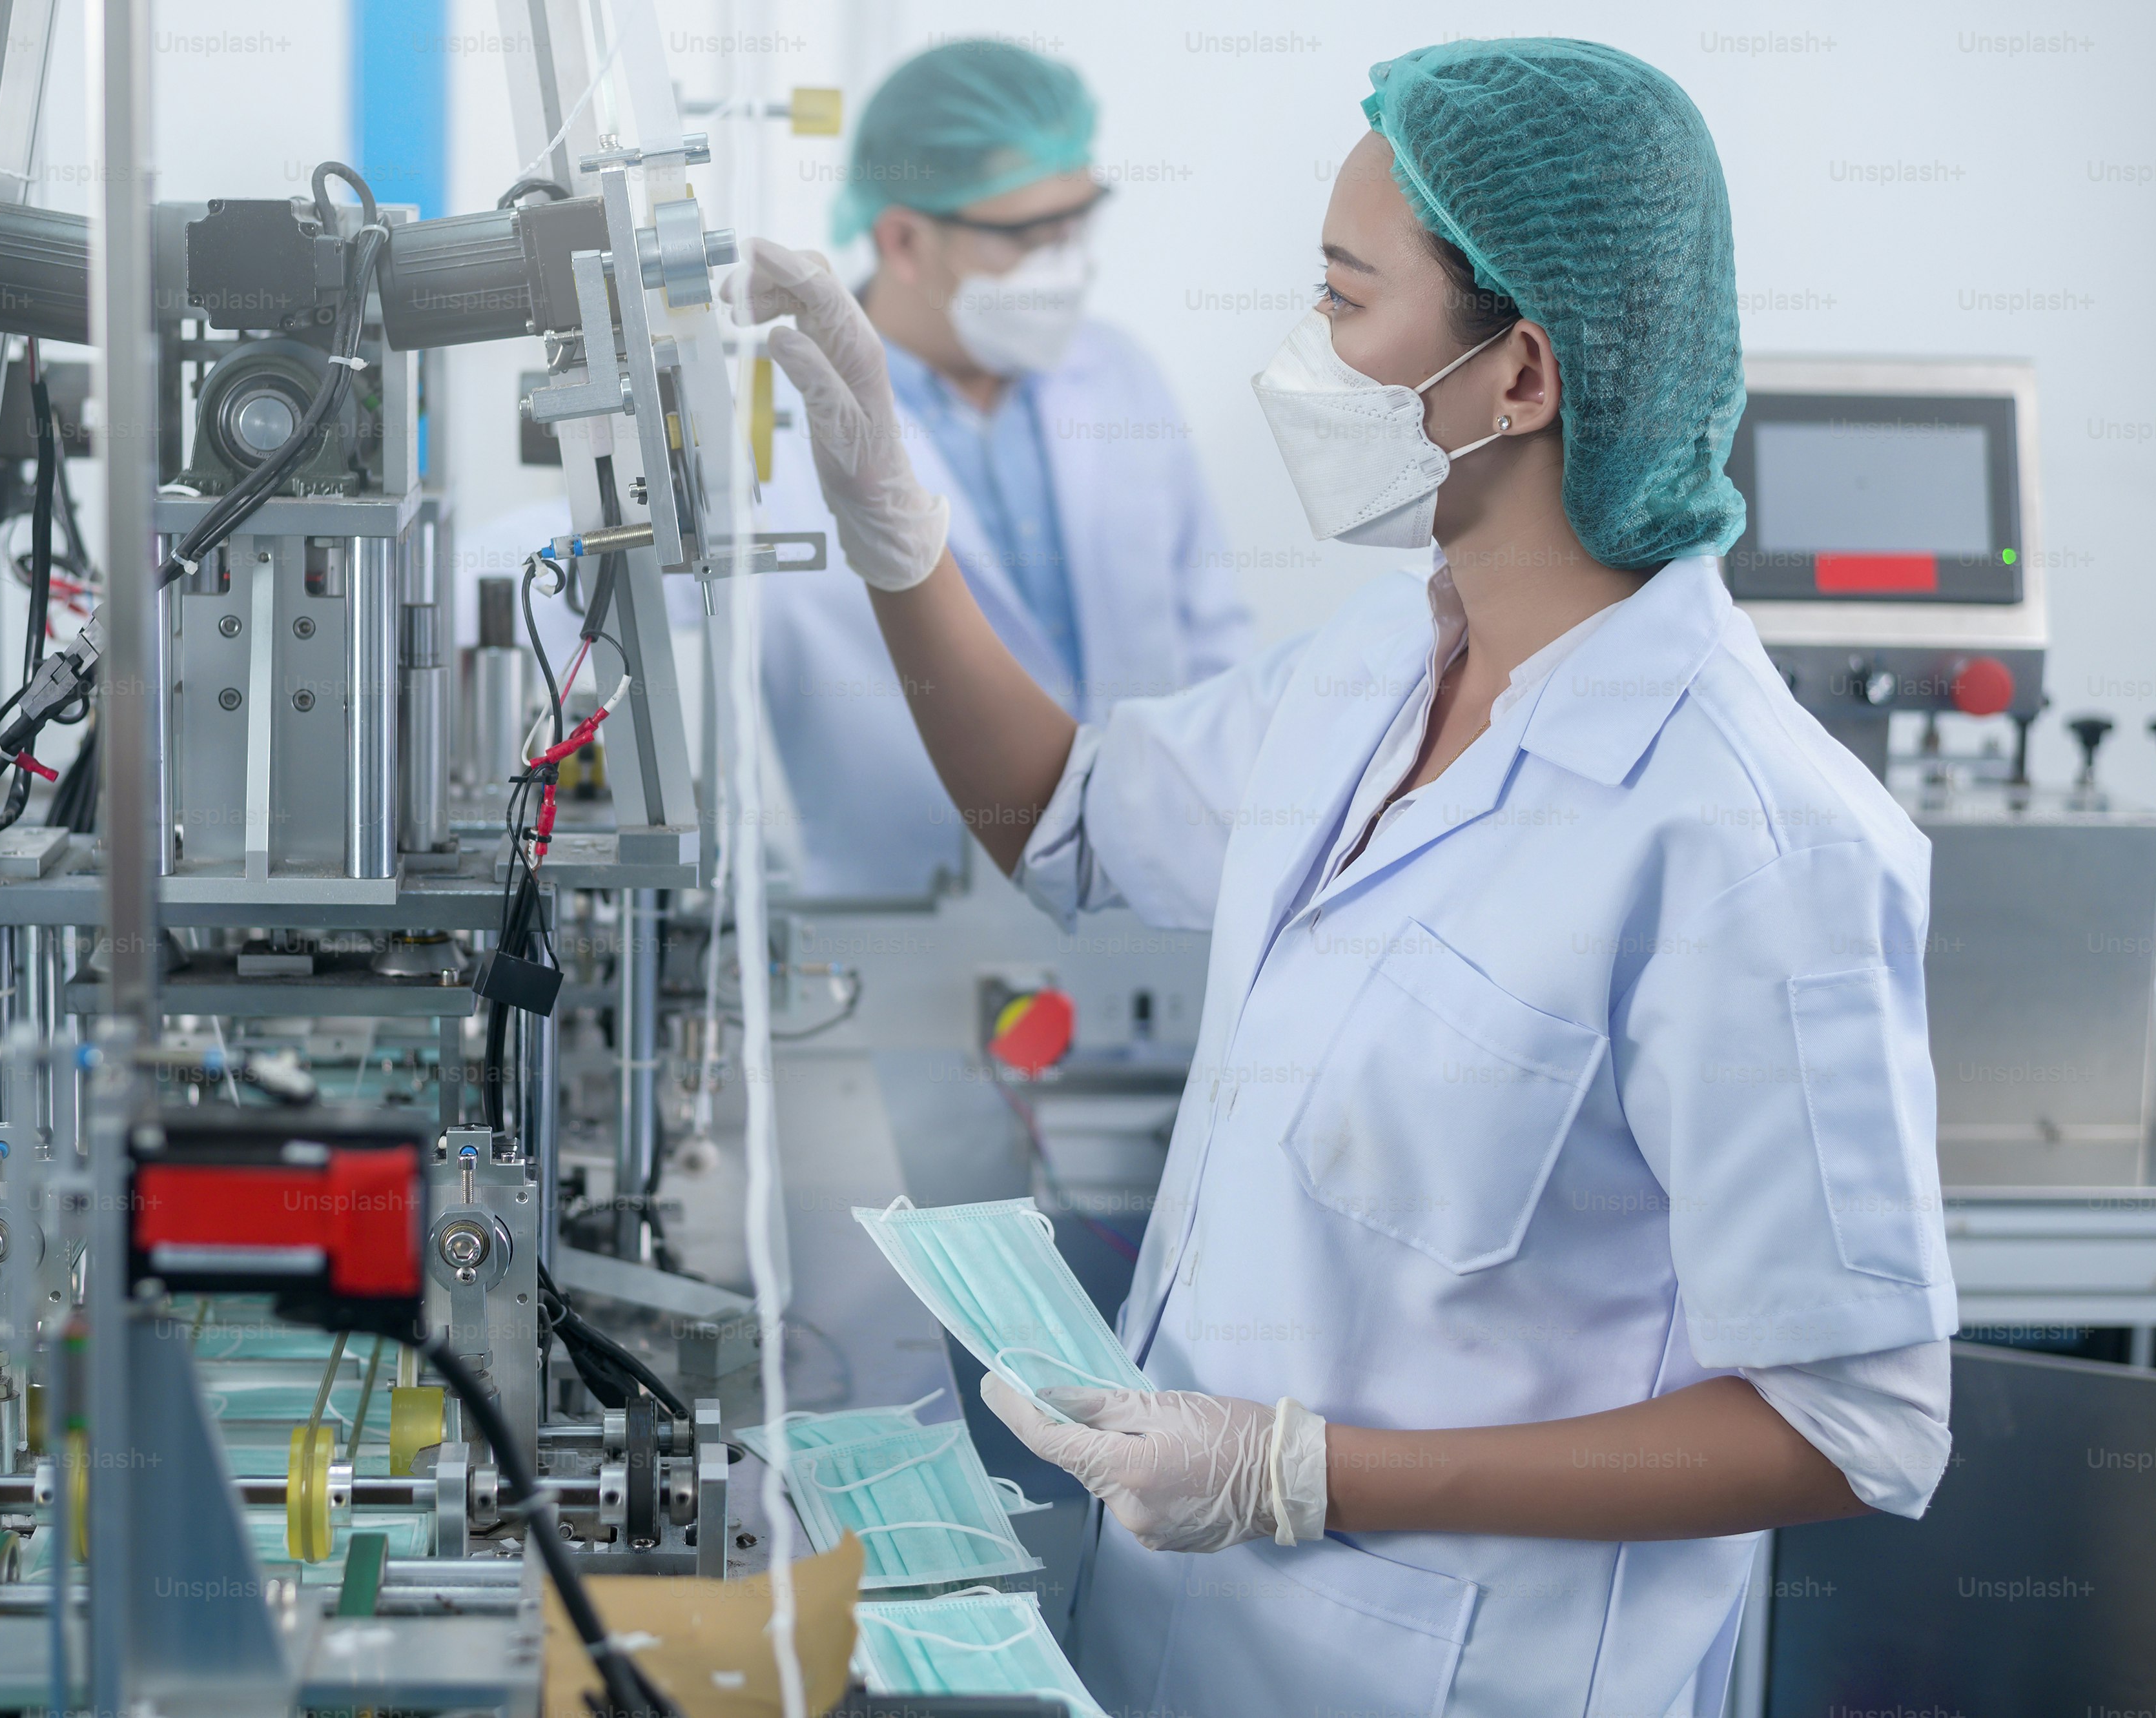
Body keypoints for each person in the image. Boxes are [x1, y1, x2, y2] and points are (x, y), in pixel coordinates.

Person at [742, 37, 1953, 1717]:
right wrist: (895, 518)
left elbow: (1857, 1421)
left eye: (1343, 300)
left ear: (1519, 375)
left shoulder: (1751, 838)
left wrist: (1312, 1471)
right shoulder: (1375, 669)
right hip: (1179, 1644)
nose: (1306, 358)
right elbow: (1068, 813)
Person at [754, 37, 1248, 896]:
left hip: (1156, 914)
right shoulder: (776, 420)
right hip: (896, 934)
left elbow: (1217, 652)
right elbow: (576, 573)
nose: (1072, 260)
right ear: (904, 238)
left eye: (1078, 220)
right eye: (1028, 235)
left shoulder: (1120, 374)